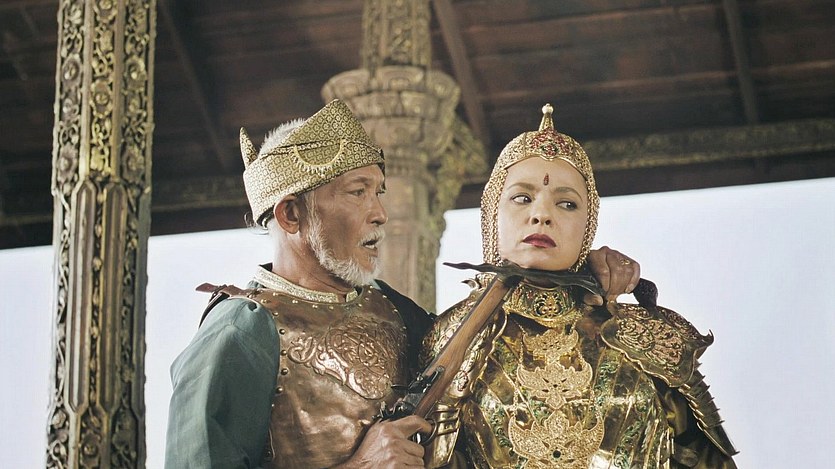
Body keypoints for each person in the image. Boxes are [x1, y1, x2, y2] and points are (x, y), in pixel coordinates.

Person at [163, 100, 641, 468]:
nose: (380, 213)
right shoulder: (243, 331)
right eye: (357, 193)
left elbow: (497, 360)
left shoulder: (395, 312)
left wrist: (579, 271)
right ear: (291, 214)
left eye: (380, 191)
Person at [422, 104, 738, 468]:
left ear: (588, 225)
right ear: (493, 214)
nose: (542, 214)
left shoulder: (650, 337)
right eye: (522, 198)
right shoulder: (449, 340)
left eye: (566, 203)